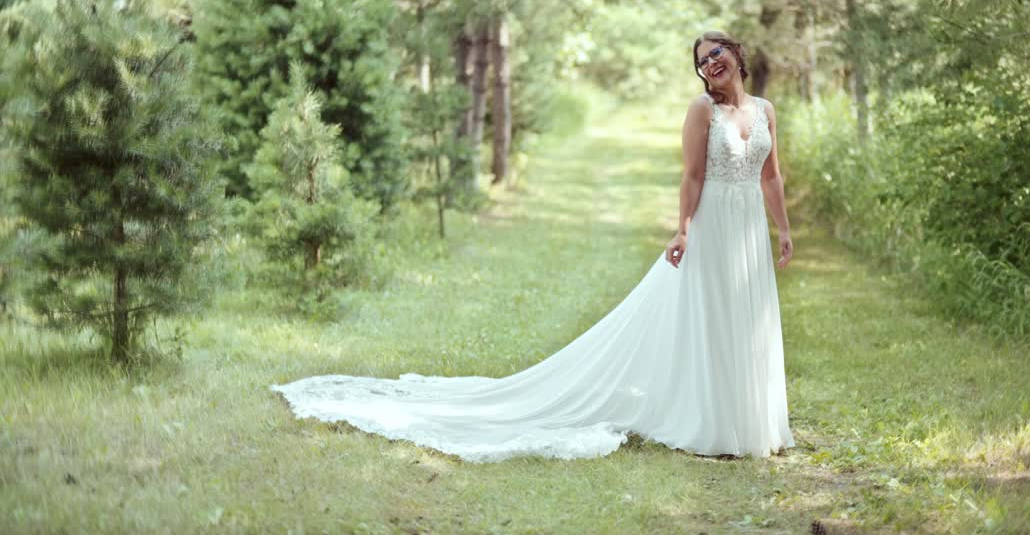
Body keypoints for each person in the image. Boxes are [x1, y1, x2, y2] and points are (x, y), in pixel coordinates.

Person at [270, 30, 797, 462]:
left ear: (737, 54)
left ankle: (751, 424)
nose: (711, 64)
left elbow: (771, 177)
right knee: (711, 318)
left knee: (746, 315)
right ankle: (716, 426)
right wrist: (683, 228)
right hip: (711, 224)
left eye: (717, 53)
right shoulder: (701, 111)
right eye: (703, 61)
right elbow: (691, 176)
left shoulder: (766, 110)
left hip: (748, 225)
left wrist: (785, 228)